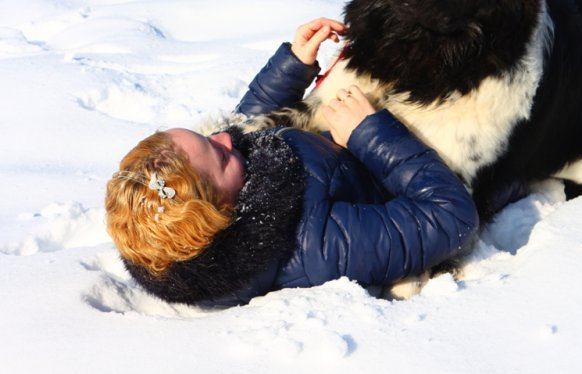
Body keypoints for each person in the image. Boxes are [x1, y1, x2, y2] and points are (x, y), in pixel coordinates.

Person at [105, 18, 479, 306]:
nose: (224, 137)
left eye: (205, 137)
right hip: (414, 161)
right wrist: (369, 136)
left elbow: (244, 131)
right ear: (221, 209)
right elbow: (450, 218)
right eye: (219, 154)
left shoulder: (231, 185)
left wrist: (293, 66)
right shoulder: (317, 243)